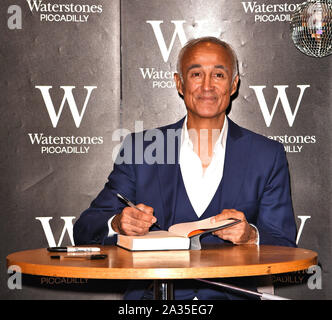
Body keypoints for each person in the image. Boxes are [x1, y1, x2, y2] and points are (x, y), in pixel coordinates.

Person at [73, 37, 297, 299]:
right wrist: (119, 223)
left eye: (219, 74)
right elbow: (86, 229)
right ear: (179, 83)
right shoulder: (143, 148)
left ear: (234, 84)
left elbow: (285, 245)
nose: (207, 85)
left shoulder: (266, 155)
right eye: (196, 73)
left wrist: (250, 236)